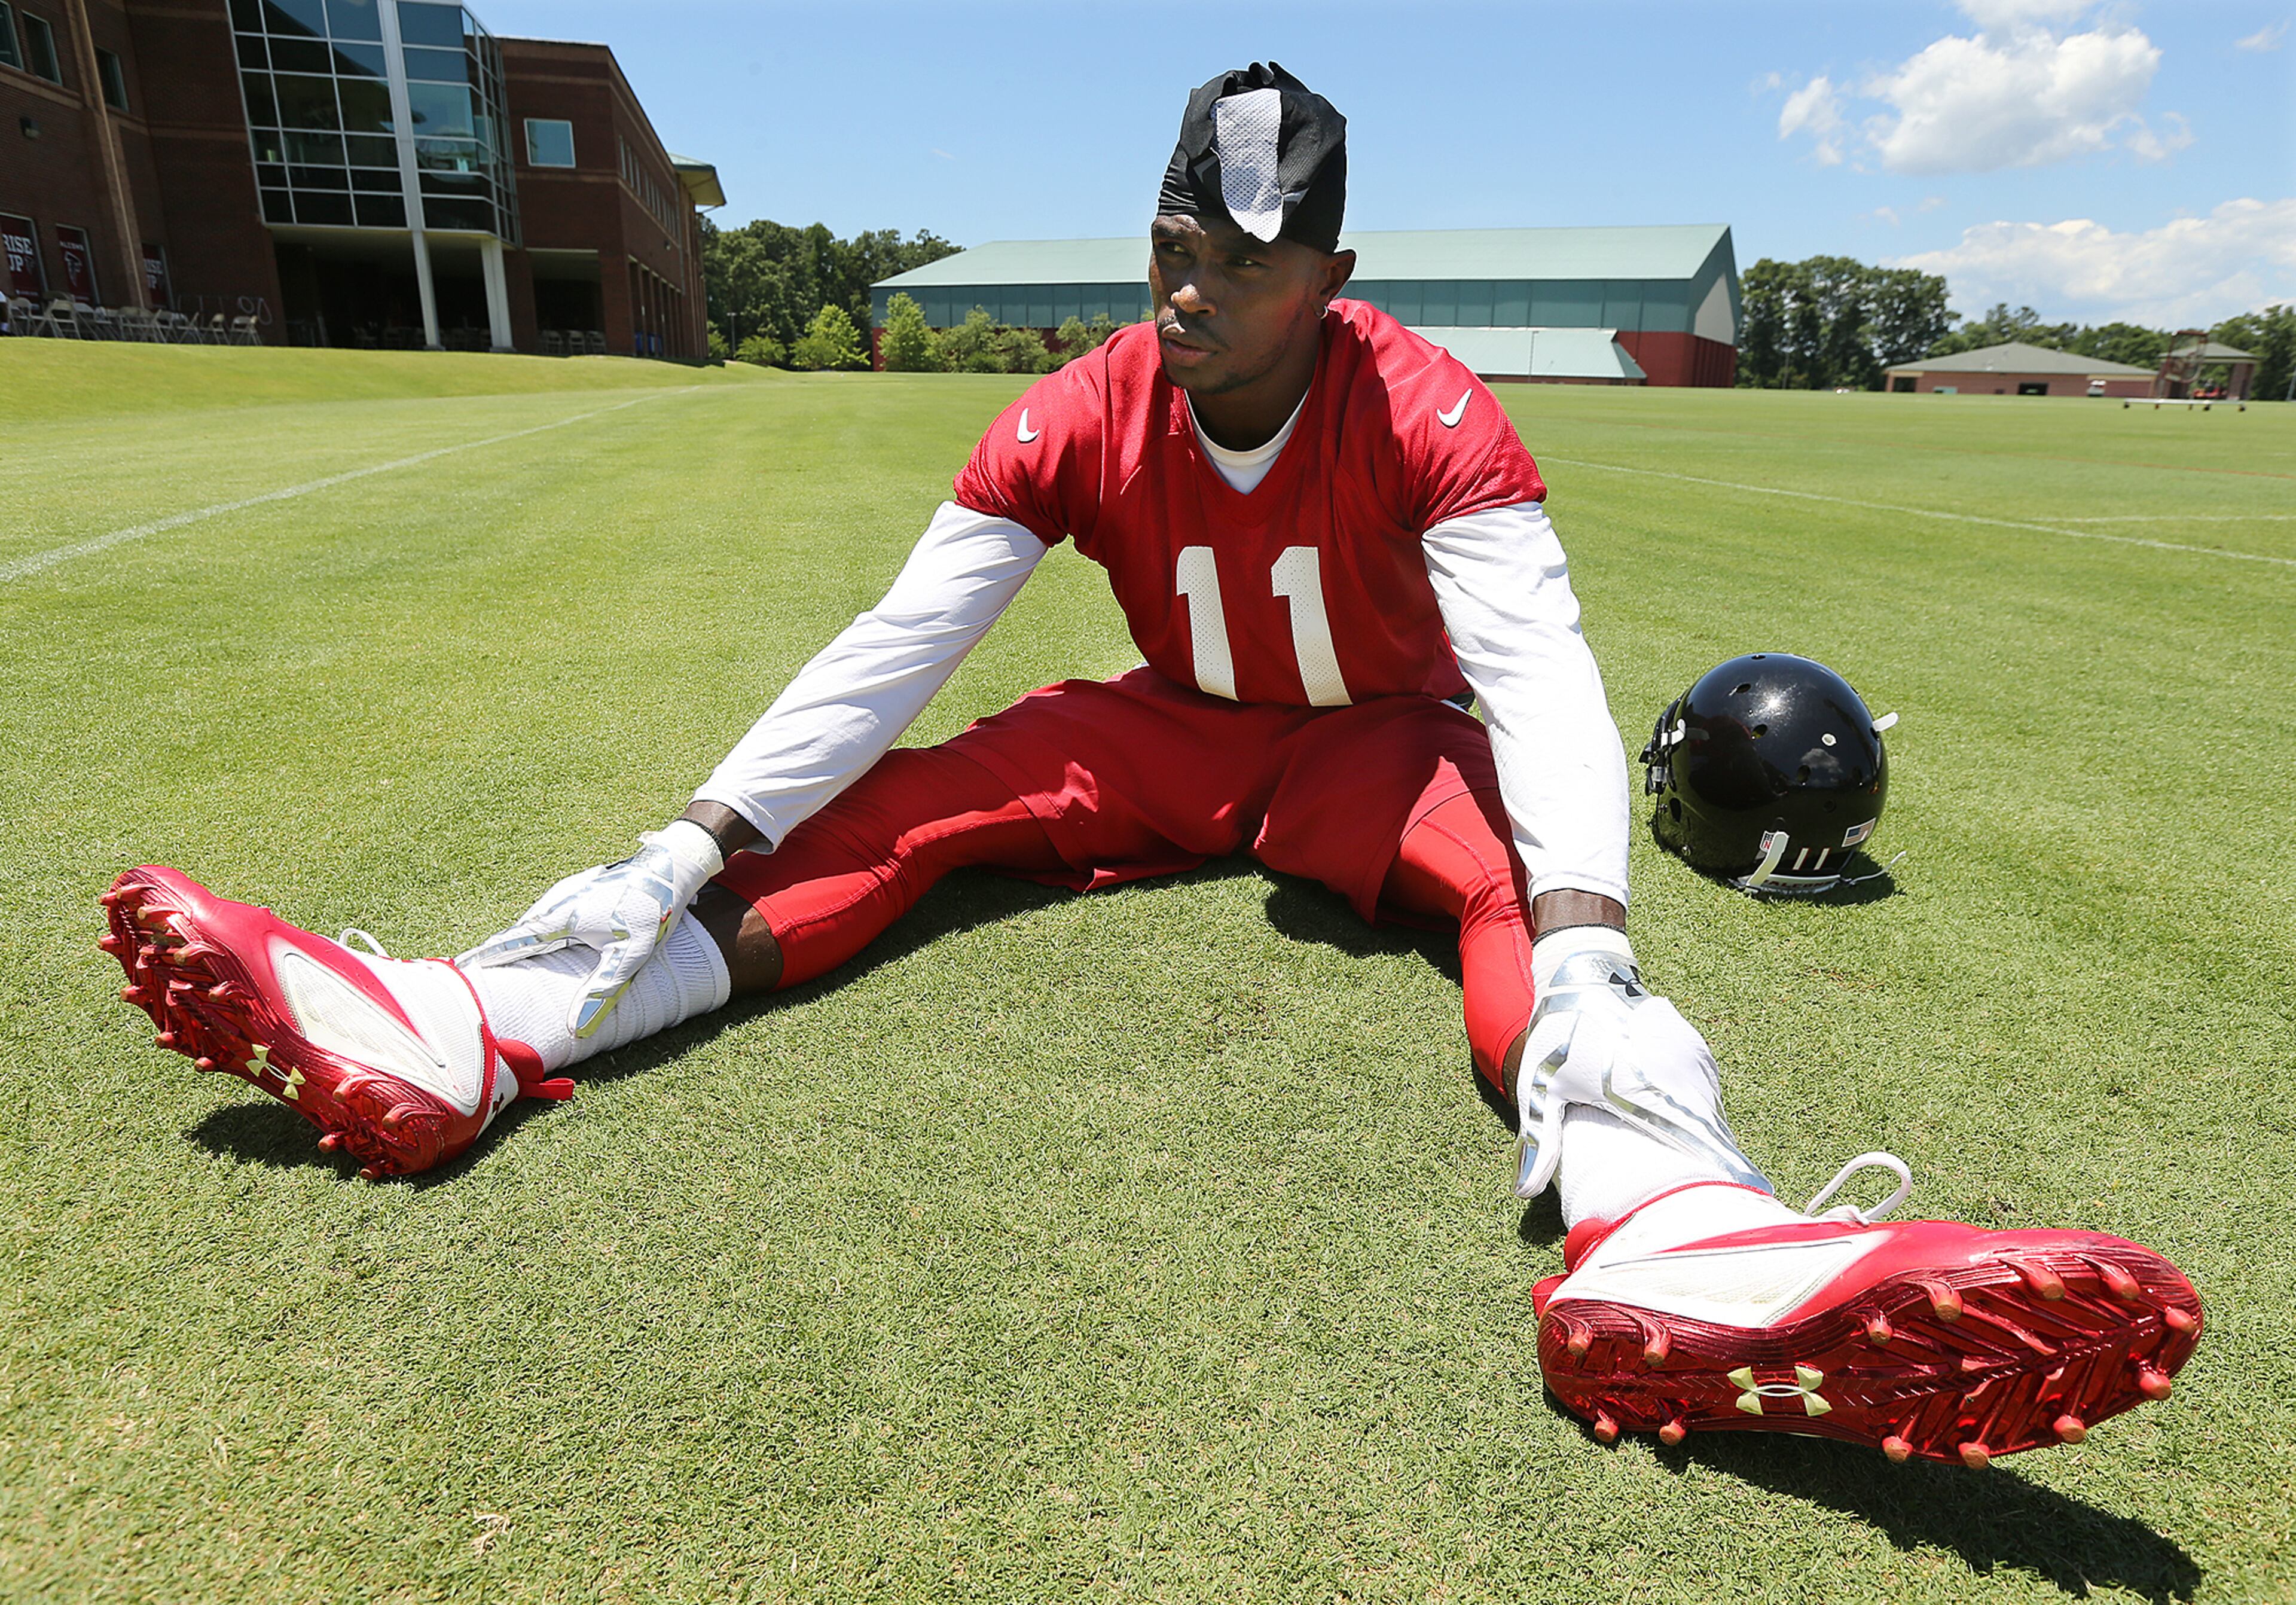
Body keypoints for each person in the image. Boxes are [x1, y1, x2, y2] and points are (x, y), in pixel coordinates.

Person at [103, 63, 2199, 1466]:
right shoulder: (1087, 402)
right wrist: (684, 837)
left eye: (1240, 258)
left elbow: (1541, 678)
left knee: (1524, 906)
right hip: (1166, 737)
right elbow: (896, 641)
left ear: (1336, 281)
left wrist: (1579, 918)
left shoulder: (1437, 410)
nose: (1188, 289)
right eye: (1170, 243)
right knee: (902, 804)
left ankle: (1677, 1220)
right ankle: (489, 1016)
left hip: (1375, 751)